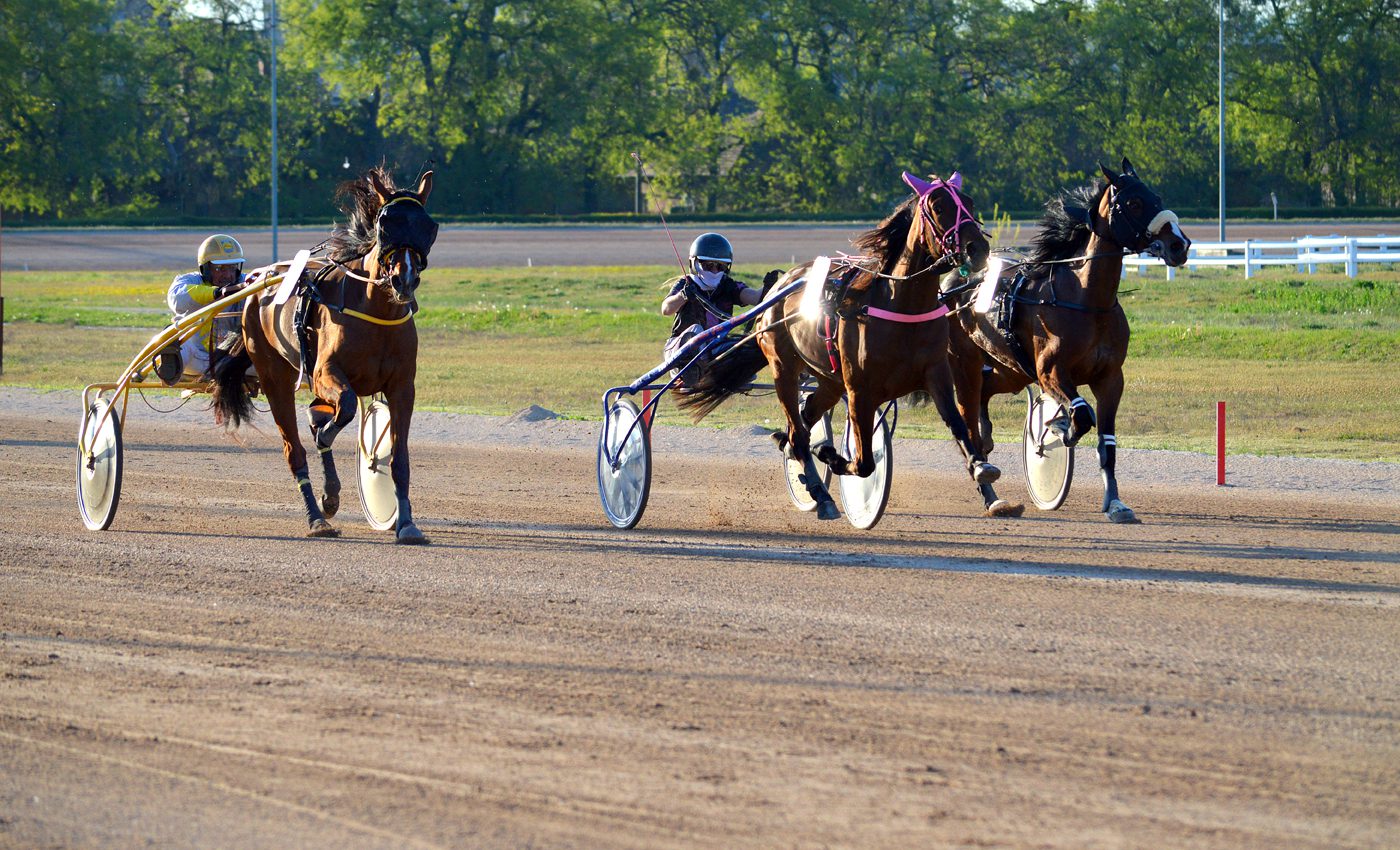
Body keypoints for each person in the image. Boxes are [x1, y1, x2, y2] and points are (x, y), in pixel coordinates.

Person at [660, 232, 769, 383]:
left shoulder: (727, 285)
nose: (714, 271)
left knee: (742, 342)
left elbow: (754, 297)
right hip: (679, 350)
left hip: (714, 348)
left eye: (720, 266)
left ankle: (736, 372)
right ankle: (689, 370)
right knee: (696, 331)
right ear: (695, 263)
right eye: (708, 265)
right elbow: (666, 309)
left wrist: (769, 289)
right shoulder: (686, 284)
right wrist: (683, 296)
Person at [154, 234, 247, 384]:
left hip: (231, 358)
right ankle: (169, 367)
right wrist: (216, 293)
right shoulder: (188, 280)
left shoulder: (245, 282)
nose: (228, 275)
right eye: (220, 268)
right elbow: (177, 299)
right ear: (206, 268)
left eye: (232, 267)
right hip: (194, 357)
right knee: (177, 340)